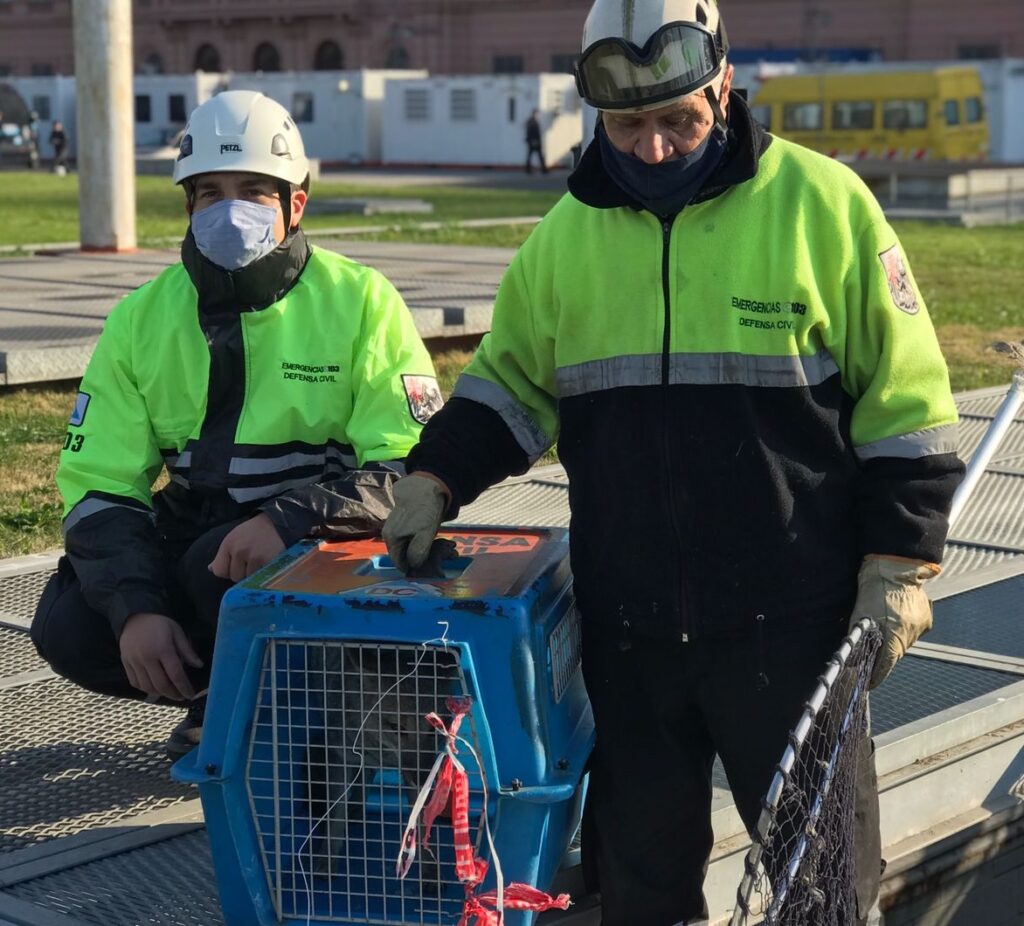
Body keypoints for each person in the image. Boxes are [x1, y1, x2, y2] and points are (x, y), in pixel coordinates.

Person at [381, 1, 964, 924]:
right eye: (627, 125)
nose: (652, 148)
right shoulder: (565, 239)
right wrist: (434, 477)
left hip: (792, 623)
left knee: (822, 884)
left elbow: (909, 408)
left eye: (677, 119)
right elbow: (508, 388)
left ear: (723, 87)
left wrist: (898, 561)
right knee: (640, 885)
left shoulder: (824, 208)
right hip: (630, 632)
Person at [31, 91, 442, 761]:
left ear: (295, 204)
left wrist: (289, 520)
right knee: (70, 622)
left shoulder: (362, 301)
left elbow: (410, 470)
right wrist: (136, 609)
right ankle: (225, 696)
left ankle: (314, 700)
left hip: (329, 543)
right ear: (187, 208)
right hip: (207, 538)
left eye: (252, 191)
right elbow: (100, 485)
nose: (229, 210)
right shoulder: (140, 319)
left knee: (213, 569)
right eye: (209, 193)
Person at [524, 108, 547, 174]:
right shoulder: (531, 122)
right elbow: (530, 132)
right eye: (537, 114)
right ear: (534, 114)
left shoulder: (534, 121)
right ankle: (529, 169)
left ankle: (543, 169)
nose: (538, 115)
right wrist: (533, 140)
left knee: (537, 155)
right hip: (533, 141)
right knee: (533, 155)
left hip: (535, 141)